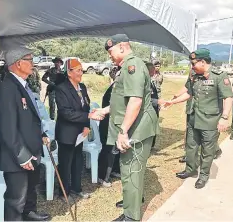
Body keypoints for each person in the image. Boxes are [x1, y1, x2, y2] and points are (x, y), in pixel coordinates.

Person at [95, 34, 159, 221]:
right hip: (133, 127)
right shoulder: (126, 67)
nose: (109, 56)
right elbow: (121, 100)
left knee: (130, 171)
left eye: (111, 51)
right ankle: (133, 202)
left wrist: (123, 131)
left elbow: (135, 100)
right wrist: (105, 110)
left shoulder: (133, 66)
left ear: (122, 47)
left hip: (136, 130)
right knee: (131, 171)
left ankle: (131, 216)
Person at [0, 47, 51, 221]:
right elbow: (8, 127)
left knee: (31, 189)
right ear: (19, 63)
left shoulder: (22, 84)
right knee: (15, 199)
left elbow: (29, 118)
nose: (33, 64)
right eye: (30, 60)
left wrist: (41, 134)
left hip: (31, 148)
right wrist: (22, 155)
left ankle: (29, 213)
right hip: (16, 155)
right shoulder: (8, 88)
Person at [163, 49, 233, 189]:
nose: (192, 66)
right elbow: (189, 93)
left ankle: (203, 176)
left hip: (210, 121)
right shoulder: (195, 75)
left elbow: (228, 97)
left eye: (193, 63)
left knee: (207, 151)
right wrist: (173, 102)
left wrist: (224, 118)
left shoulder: (219, 76)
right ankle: (190, 169)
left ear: (202, 62)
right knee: (191, 146)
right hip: (194, 119)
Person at [55, 58, 103, 203]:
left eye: (81, 70)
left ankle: (77, 188)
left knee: (77, 161)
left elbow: (86, 107)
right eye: (78, 70)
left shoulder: (82, 87)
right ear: (69, 73)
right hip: (67, 133)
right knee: (65, 163)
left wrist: (87, 124)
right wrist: (88, 116)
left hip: (80, 133)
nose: (81, 73)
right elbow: (66, 112)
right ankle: (64, 193)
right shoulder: (61, 88)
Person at [98, 66, 121, 188]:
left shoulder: (117, 87)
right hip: (108, 124)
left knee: (115, 150)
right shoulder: (114, 88)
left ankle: (113, 171)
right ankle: (103, 176)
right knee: (109, 151)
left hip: (115, 123)